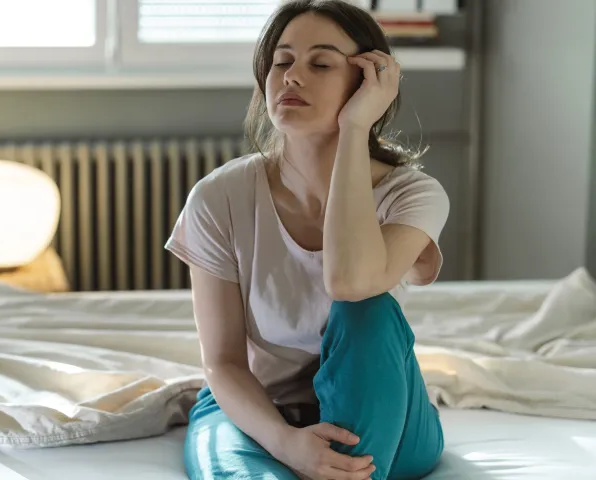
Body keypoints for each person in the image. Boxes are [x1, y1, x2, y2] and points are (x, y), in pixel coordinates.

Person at [164, 1, 449, 479]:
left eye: (320, 63)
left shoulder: (413, 194)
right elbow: (223, 361)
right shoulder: (219, 197)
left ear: (366, 83)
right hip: (259, 412)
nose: (292, 77)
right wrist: (288, 446)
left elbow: (351, 283)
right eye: (281, 61)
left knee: (370, 307)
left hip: (391, 414)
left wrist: (355, 128)